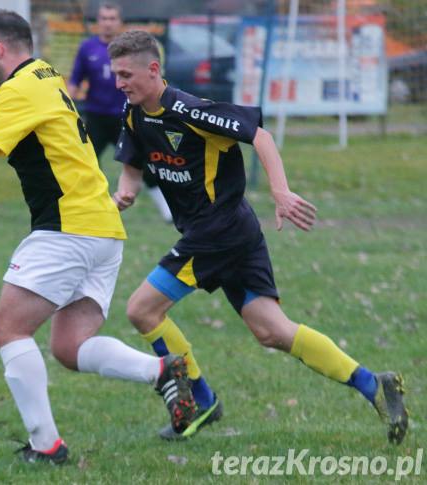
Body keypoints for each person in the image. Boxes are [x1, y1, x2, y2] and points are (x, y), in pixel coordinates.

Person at [0, 11, 196, 465]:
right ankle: (161, 370)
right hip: (103, 231)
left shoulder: (17, 87)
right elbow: (33, 122)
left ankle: (46, 445)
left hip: (67, 229)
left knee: (9, 330)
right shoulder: (46, 75)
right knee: (69, 347)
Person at [106, 30, 409, 444]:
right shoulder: (134, 112)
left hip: (218, 232)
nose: (120, 82)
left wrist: (280, 191)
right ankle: (375, 385)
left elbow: (260, 135)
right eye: (116, 74)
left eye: (126, 74)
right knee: (272, 331)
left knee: (142, 310)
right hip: (234, 231)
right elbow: (133, 161)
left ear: (153, 69)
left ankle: (199, 400)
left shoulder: (192, 111)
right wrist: (126, 189)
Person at [67, 2, 172, 223]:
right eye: (103, 18)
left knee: (143, 162)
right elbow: (75, 80)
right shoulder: (88, 48)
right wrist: (67, 105)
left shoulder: (130, 52)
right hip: (95, 117)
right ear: (98, 22)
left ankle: (167, 209)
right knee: (86, 164)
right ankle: (88, 210)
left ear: (119, 22)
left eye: (112, 18)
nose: (107, 23)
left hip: (125, 118)